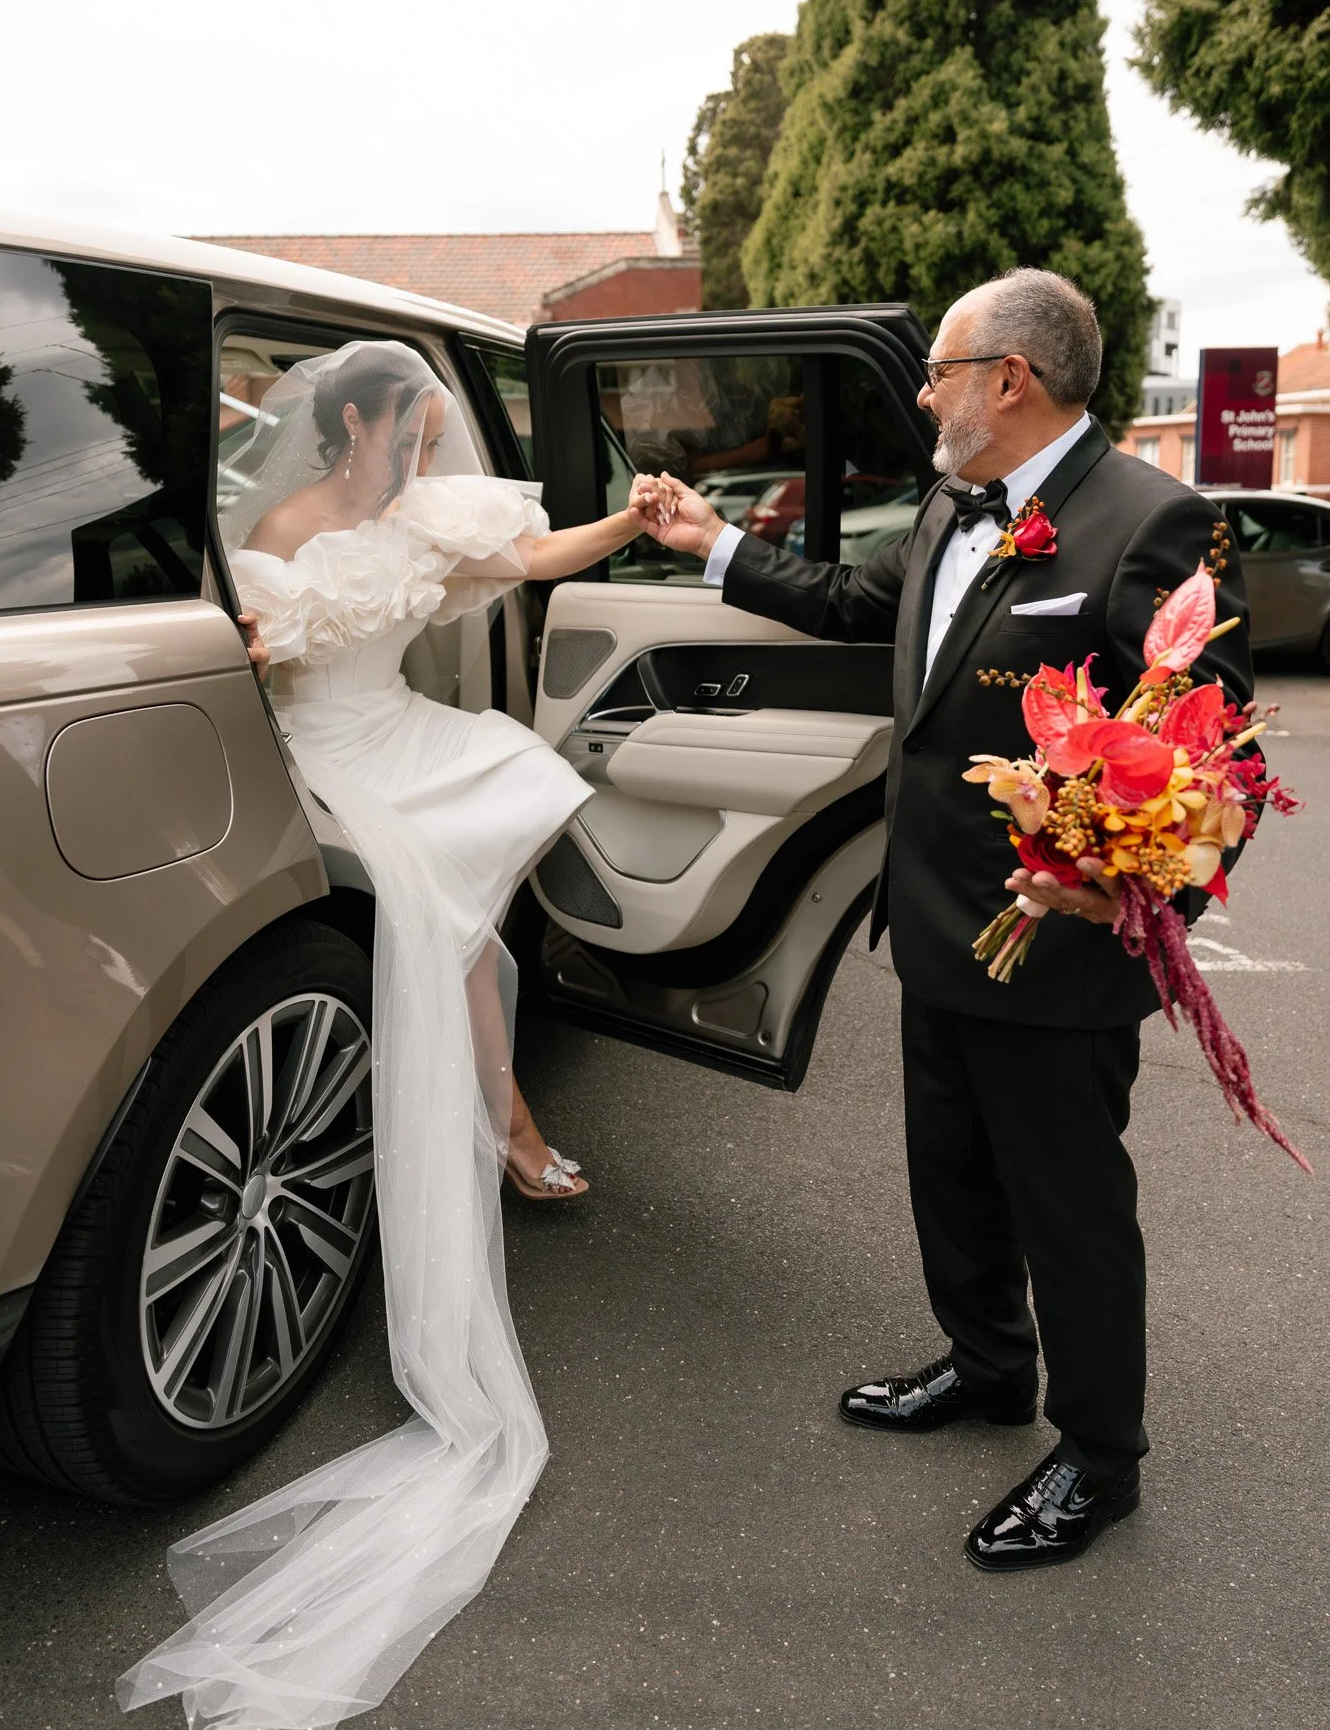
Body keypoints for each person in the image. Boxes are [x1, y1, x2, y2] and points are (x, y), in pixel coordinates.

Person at [647, 269, 1255, 1573]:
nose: (923, 390)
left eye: (937, 368)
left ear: (1010, 380)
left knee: (1069, 1207)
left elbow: (1221, 754)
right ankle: (986, 1367)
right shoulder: (950, 502)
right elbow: (865, 612)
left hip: (1061, 952)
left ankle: (1100, 1459)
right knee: (953, 1178)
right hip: (930, 926)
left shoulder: (1154, 522)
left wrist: (1142, 894)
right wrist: (708, 541)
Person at [118, 341, 669, 1728]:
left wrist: (633, 521)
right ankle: (510, 1129)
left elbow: (530, 567)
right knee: (446, 924)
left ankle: (504, 1120)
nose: (429, 447)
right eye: (415, 425)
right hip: (322, 761)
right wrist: (246, 644)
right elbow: (244, 657)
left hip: (411, 730)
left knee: (493, 848)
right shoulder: (273, 538)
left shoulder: (425, 518)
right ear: (359, 420)